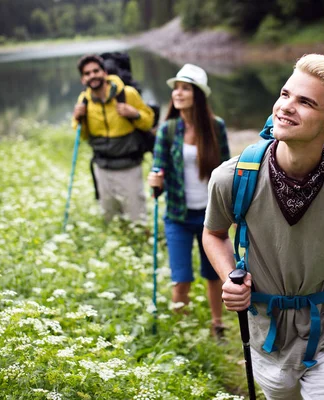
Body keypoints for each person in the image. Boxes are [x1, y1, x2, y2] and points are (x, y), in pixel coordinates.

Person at [202, 54, 324, 399]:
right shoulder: (233, 176)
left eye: (305, 102)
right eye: (285, 94)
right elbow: (213, 233)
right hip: (265, 333)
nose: (286, 107)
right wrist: (230, 277)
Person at [147, 64, 230, 337]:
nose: (178, 93)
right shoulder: (168, 130)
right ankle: (181, 331)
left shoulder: (216, 128)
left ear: (198, 94)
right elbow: (157, 169)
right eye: (176, 89)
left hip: (210, 216)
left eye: (185, 88)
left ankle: (217, 324)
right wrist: (155, 181)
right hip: (178, 217)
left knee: (213, 274)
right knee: (181, 277)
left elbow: (228, 170)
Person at [72, 54, 155, 221]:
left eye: (96, 71)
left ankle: (139, 242)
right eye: (87, 73)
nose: (92, 76)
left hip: (129, 167)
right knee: (110, 217)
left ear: (104, 73)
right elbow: (82, 136)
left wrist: (134, 114)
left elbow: (149, 121)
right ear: (82, 79)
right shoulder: (84, 101)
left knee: (136, 217)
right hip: (102, 168)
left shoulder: (127, 94)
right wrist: (77, 118)